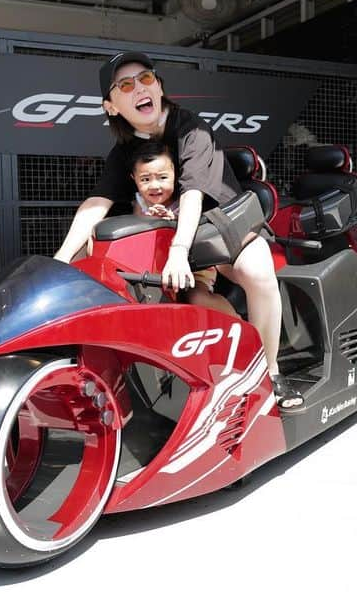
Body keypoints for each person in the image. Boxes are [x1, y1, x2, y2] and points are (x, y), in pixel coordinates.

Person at [53, 51, 303, 411]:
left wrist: (178, 250)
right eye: (126, 85)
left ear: (159, 86)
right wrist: (61, 259)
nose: (140, 88)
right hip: (181, 241)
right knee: (193, 301)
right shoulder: (125, 150)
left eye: (146, 79)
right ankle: (229, 364)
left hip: (226, 226)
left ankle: (270, 373)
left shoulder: (191, 128)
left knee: (257, 271)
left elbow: (193, 195)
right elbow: (97, 203)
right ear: (111, 106)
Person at [128, 140, 236, 318]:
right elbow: (136, 227)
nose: (154, 186)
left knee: (198, 298)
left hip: (195, 264)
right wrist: (150, 218)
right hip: (154, 266)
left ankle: (238, 325)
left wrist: (174, 221)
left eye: (162, 178)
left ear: (176, 174)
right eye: (145, 179)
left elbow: (196, 226)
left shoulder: (186, 200)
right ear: (134, 178)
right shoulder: (140, 201)